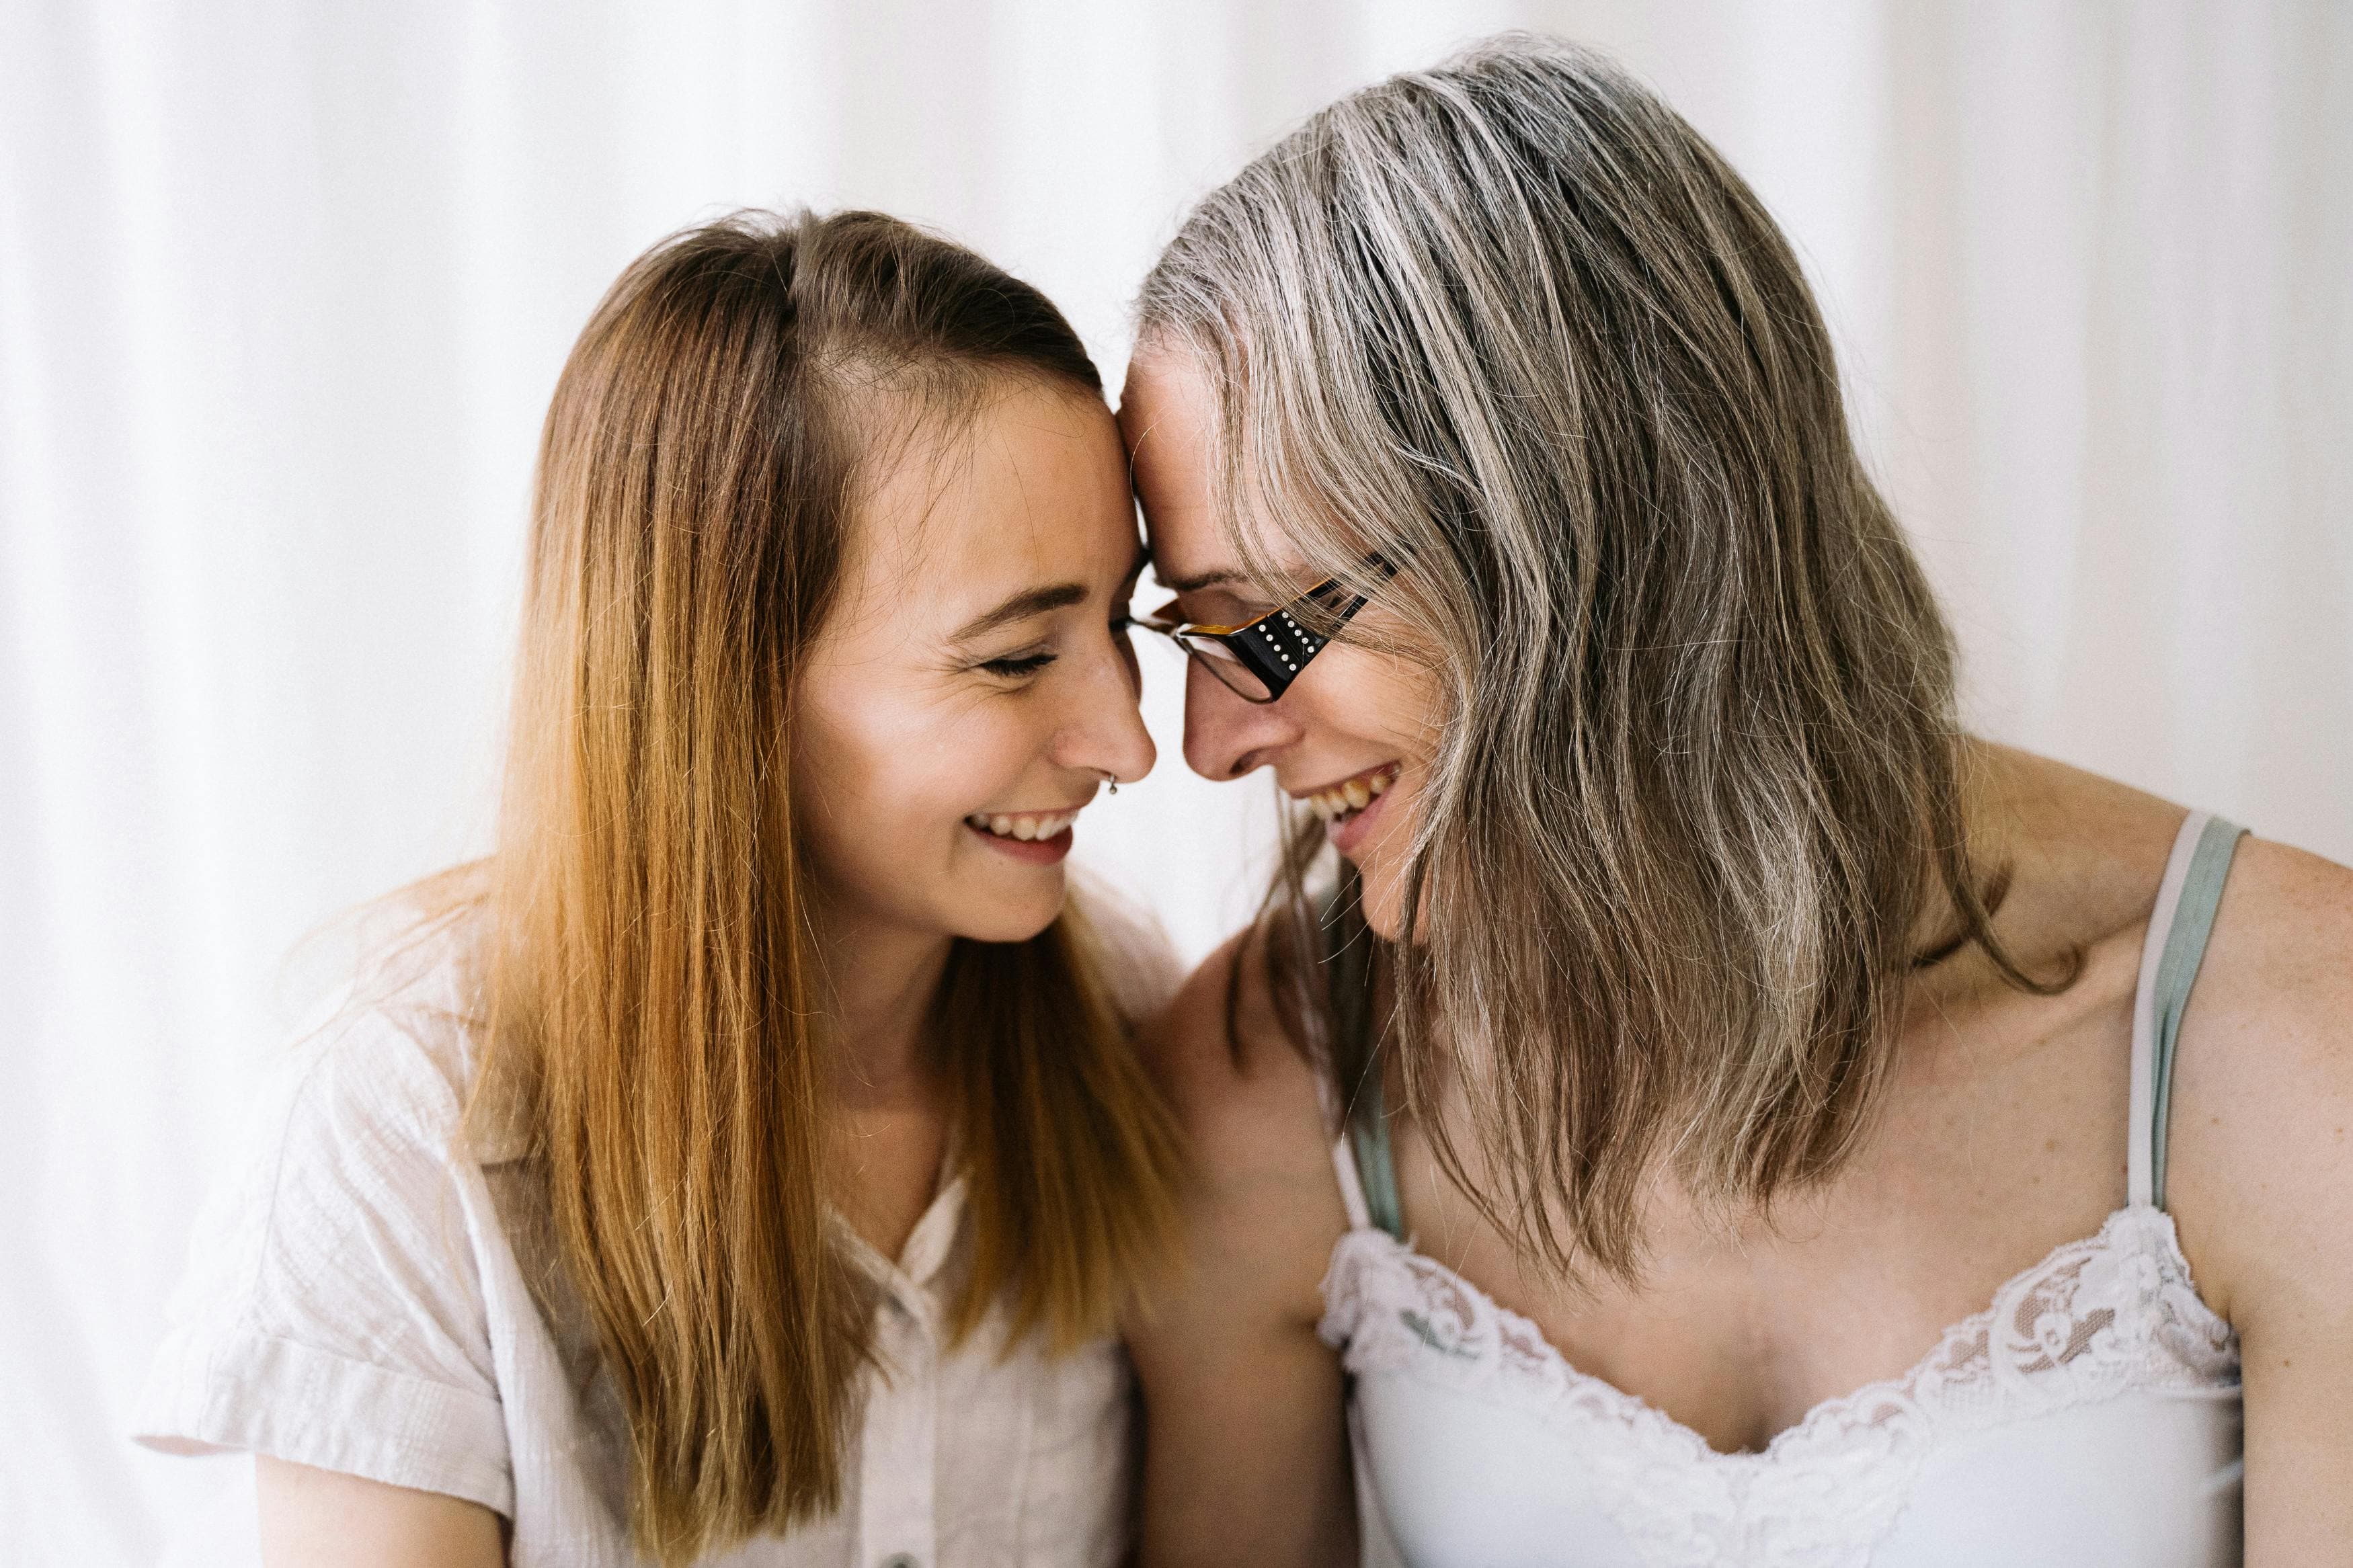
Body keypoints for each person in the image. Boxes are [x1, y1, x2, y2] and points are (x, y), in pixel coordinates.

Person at [1119, 37, 2353, 1567]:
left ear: (1581, 546)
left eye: (1270, 629)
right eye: (1196, 632)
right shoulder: (1275, 1084)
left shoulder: (2287, 1041)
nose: (1213, 740)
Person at [134, 210, 1181, 1568]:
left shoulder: (1128, 1020)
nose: (1133, 743)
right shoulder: (400, 1132)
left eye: (1115, 619)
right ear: (722, 684)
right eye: (1010, 658)